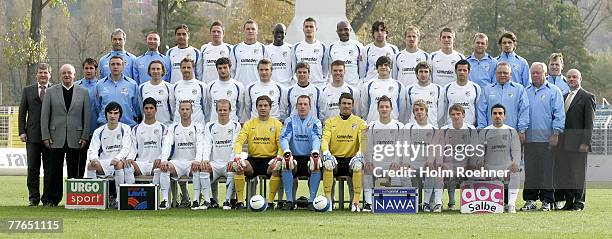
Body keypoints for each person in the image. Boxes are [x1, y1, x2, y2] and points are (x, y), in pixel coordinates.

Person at [41, 64, 90, 206]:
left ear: (74, 75)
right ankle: (52, 199)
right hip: (55, 137)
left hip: (76, 137)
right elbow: (45, 116)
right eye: (64, 73)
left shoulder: (83, 92)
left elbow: (86, 116)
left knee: (74, 171)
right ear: (60, 74)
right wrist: (46, 135)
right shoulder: (51, 92)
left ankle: (74, 199)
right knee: (54, 170)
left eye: (69, 73)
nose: (67, 75)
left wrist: (85, 135)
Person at [521, 62, 565, 212]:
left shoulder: (554, 91)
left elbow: (559, 114)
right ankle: (530, 200)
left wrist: (556, 133)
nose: (535, 75)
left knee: (547, 171)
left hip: (547, 139)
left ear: (545, 74)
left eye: (538, 73)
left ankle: (547, 200)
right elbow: (522, 113)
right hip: (530, 139)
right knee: (531, 171)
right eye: (533, 73)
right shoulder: (525, 91)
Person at [232, 95, 284, 209]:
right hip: (253, 160)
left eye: (265, 105)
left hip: (270, 160)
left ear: (270, 107)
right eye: (260, 106)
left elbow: (281, 145)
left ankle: (270, 202)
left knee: (277, 167)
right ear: (256, 107)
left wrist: (279, 157)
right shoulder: (249, 124)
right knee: (238, 166)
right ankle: (240, 202)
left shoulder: (277, 124)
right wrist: (237, 156)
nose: (263, 108)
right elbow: (239, 141)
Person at [556, 69, 595, 211]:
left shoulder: (587, 97)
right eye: (569, 77)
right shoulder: (564, 96)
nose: (571, 79)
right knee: (565, 173)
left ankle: (579, 202)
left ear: (580, 79)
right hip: (563, 143)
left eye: (574, 77)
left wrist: (586, 142)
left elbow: (589, 122)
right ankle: (568, 201)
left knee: (578, 173)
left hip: (579, 143)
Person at [321, 93, 367, 212]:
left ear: (352, 105)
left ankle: (355, 202)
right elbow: (324, 139)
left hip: (352, 159)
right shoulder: (330, 122)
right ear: (339, 105)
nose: (346, 106)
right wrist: (326, 153)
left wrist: (359, 155)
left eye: (349, 104)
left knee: (358, 166)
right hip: (335, 159)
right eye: (344, 103)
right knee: (327, 165)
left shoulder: (360, 122)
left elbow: (364, 141)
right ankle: (329, 201)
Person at [124, 97, 170, 208]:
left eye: (151, 108)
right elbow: (133, 148)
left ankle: (163, 200)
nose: (149, 111)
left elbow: (166, 147)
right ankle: (132, 199)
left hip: (155, 163)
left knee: (162, 168)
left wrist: (161, 158)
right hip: (141, 163)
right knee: (128, 167)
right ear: (143, 110)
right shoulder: (136, 129)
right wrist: (130, 158)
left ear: (155, 110)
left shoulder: (163, 128)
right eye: (146, 108)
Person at [160, 101, 206, 209]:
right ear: (179, 111)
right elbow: (167, 143)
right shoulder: (173, 127)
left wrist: (198, 160)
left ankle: (195, 200)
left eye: (187, 109)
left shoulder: (197, 127)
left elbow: (200, 144)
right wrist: (164, 160)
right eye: (182, 109)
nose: (185, 112)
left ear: (191, 111)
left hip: (192, 162)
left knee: (197, 169)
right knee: (164, 168)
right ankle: (165, 200)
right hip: (177, 163)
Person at [280, 95, 322, 210]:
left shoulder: (316, 121)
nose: (302, 107)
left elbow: (316, 138)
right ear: (296, 106)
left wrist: (315, 151)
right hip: (295, 157)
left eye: (305, 104)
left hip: (309, 156)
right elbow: (284, 138)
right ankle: (289, 201)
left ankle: (311, 201)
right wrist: (287, 150)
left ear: (310, 106)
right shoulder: (290, 121)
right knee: (286, 162)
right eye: (300, 104)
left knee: (316, 163)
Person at [86, 102, 132, 208]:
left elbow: (126, 147)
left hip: (119, 162)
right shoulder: (99, 131)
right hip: (105, 162)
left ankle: (119, 199)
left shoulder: (125, 128)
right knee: (90, 165)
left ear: (119, 115)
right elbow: (92, 148)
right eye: (110, 113)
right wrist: (93, 159)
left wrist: (117, 158)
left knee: (118, 165)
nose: (112, 116)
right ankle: (95, 199)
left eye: (115, 113)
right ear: (106, 114)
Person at [478, 104, 522, 213]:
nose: (497, 116)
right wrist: (479, 163)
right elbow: (478, 151)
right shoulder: (485, 131)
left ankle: (511, 204)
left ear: (504, 116)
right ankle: (486, 203)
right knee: (472, 173)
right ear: (491, 115)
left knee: (516, 173)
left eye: (500, 113)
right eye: (495, 113)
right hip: (489, 167)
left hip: (506, 167)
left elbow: (516, 150)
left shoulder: (511, 131)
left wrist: (515, 163)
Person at [19, 63, 52, 206]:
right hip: (32, 136)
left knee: (49, 169)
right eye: (40, 72)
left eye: (45, 72)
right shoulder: (28, 90)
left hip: (50, 136)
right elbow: (22, 112)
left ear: (50, 74)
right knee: (32, 168)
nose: (43, 75)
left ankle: (47, 199)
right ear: (36, 74)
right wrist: (21, 131)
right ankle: (33, 198)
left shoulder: (55, 90)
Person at [364, 96, 404, 212]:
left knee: (397, 170)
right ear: (377, 109)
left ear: (391, 109)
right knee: (366, 169)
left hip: (392, 163)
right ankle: (368, 203)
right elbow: (368, 146)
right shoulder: (371, 125)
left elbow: (400, 147)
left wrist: (396, 162)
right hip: (376, 163)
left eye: (387, 107)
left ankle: (395, 201)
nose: (384, 109)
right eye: (381, 107)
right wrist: (369, 161)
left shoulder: (399, 126)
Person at [402, 100, 442, 212]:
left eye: (421, 109)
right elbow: (406, 146)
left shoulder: (434, 129)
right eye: (416, 110)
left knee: (432, 171)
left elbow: (433, 148)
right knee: (403, 172)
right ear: (413, 113)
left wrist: (429, 162)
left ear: (426, 112)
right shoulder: (408, 127)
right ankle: (411, 202)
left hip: (426, 164)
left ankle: (426, 203)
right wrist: (406, 162)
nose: (419, 112)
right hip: (412, 164)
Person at [477, 62, 530, 143]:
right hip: (491, 134)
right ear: (495, 74)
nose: (502, 75)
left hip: (512, 134)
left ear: (510, 74)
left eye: (505, 73)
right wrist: (482, 130)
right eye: (499, 73)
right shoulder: (487, 90)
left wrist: (522, 130)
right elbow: (481, 111)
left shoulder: (519, 89)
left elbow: (524, 110)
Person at [203, 99, 242, 210]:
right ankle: (208, 201)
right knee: (204, 169)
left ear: (230, 110)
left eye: (225, 110)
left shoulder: (236, 125)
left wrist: (232, 160)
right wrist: (205, 159)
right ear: (216, 110)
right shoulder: (210, 126)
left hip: (228, 163)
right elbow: (207, 144)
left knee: (233, 168)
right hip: (214, 163)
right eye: (220, 110)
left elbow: (235, 145)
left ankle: (227, 201)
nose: (222, 112)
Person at [438, 104, 478, 210]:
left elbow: (475, 149)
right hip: (448, 163)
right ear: (450, 116)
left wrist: (471, 164)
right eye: (453, 114)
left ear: (463, 115)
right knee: (443, 172)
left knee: (474, 173)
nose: (456, 117)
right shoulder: (444, 129)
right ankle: (448, 202)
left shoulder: (470, 129)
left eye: (458, 114)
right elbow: (439, 149)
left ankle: (469, 203)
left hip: (465, 163)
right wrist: (440, 163)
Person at [93, 55, 141, 127]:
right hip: (105, 126)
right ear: (109, 66)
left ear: (123, 66)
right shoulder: (99, 85)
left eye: (118, 64)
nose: (115, 67)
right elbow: (97, 107)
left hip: (127, 126)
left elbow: (137, 108)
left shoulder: (132, 84)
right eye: (113, 64)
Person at [361, 56, 406, 123]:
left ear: (390, 68)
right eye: (380, 65)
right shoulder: (368, 85)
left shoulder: (399, 85)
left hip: (392, 127)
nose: (383, 67)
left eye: (386, 65)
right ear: (377, 68)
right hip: (372, 125)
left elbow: (402, 109)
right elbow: (364, 108)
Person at [76, 58, 100, 176]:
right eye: (86, 68)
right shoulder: (76, 86)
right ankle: (77, 188)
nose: (89, 70)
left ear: (96, 70)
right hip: (80, 132)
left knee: (97, 163)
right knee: (79, 162)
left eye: (91, 68)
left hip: (97, 131)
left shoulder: (101, 86)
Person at [440, 60, 481, 126]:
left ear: (469, 71)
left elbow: (478, 109)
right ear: (455, 71)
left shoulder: (476, 88)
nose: (462, 72)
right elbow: (443, 109)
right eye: (459, 70)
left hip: (469, 127)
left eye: (464, 70)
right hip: (451, 126)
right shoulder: (447, 88)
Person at [205, 57, 245, 123]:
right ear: (217, 69)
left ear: (230, 68)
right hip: (215, 124)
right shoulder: (210, 85)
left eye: (225, 67)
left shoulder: (238, 86)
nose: (222, 70)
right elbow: (209, 105)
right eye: (220, 68)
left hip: (232, 125)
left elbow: (240, 107)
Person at [291, 17, 329, 88]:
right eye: (306, 27)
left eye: (311, 27)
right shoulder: (296, 47)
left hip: (318, 85)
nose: (308, 29)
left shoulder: (323, 47)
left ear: (316, 29)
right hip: (301, 85)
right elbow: (293, 68)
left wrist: (321, 80)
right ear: (303, 29)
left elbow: (325, 70)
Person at [231, 19, 270, 86]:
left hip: (258, 88)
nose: (250, 31)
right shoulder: (235, 49)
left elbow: (268, 71)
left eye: (253, 29)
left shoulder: (264, 49)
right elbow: (231, 71)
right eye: (248, 29)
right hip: (240, 88)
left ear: (257, 31)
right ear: (244, 31)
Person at [328, 20, 365, 87]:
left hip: (354, 86)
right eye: (340, 30)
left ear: (350, 30)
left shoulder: (358, 46)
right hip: (337, 87)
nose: (343, 32)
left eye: (346, 29)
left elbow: (362, 69)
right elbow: (329, 70)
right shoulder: (331, 47)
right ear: (337, 31)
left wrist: (360, 85)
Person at [406, 61, 443, 127]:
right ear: (416, 74)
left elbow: (440, 112)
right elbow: (409, 111)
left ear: (430, 74)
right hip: (415, 127)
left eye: (426, 72)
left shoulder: (438, 89)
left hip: (432, 127)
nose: (423, 74)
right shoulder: (409, 89)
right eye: (421, 71)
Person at [138, 60, 174, 125]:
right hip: (148, 126)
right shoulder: (142, 87)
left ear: (162, 71)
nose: (155, 71)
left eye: (158, 69)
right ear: (149, 71)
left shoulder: (169, 87)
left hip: (166, 125)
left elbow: (172, 107)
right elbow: (141, 108)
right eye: (153, 69)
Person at [172, 58, 207, 124]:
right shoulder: (174, 86)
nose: (186, 70)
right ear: (180, 69)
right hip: (179, 126)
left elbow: (206, 108)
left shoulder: (202, 86)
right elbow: (172, 107)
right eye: (184, 67)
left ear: (193, 68)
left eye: (188, 67)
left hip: (197, 126)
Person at [268, 23, 294, 88]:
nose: (279, 35)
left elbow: (294, 68)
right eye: (277, 32)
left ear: (285, 33)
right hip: (271, 86)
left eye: (282, 32)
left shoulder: (291, 49)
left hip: (287, 86)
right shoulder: (267, 49)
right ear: (273, 33)